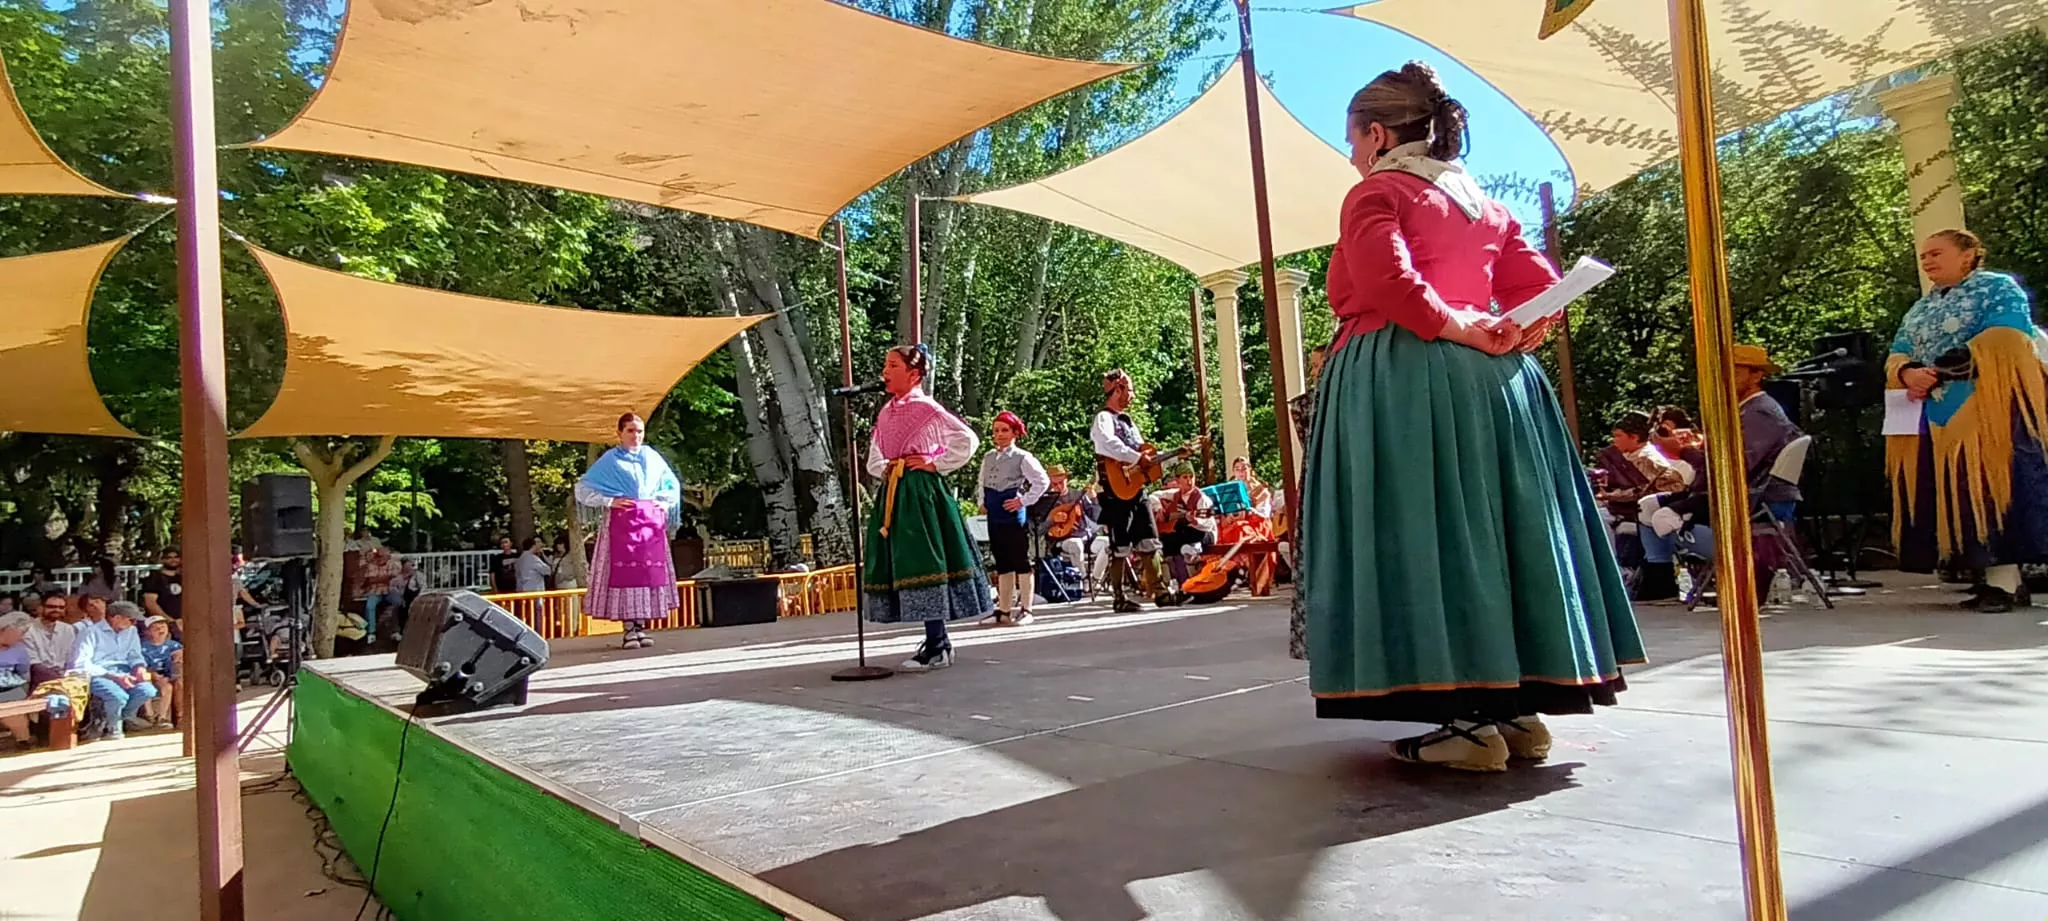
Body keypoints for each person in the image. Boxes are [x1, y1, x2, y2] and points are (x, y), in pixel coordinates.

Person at [1301, 62, 1645, 773]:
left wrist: (1456, 327)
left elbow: (1387, 282)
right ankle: (1517, 709)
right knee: (1500, 531)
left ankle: (1463, 720)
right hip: (1502, 386)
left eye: (1350, 138)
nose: (1349, 153)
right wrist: (1517, 330)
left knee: (1425, 531)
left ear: (1375, 134)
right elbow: (1537, 288)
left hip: (1403, 377)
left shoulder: (1378, 192)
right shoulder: (1484, 205)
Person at [1888, 229, 2048, 613]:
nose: (1927, 261)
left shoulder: (1996, 288)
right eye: (1923, 255)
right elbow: (1898, 350)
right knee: (1958, 493)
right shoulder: (1921, 308)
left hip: (1990, 407)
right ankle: (1985, 576)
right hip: (1939, 413)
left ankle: (2005, 582)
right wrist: (1908, 371)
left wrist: (1945, 367)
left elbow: (2008, 335)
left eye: (1936, 253)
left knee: (1994, 489)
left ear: (1969, 254)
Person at [862, 345, 990, 671]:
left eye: (892, 365)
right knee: (907, 563)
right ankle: (936, 641)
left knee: (924, 560)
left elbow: (966, 440)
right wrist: (888, 468)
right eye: (886, 364)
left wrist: (935, 464)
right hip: (896, 491)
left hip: (921, 494)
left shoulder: (926, 408)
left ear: (914, 373)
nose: (885, 372)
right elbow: (875, 455)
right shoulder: (887, 412)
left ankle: (937, 644)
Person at [576, 412, 684, 650]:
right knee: (623, 574)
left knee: (648, 574)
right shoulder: (610, 460)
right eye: (631, 431)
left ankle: (641, 625)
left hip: (650, 525)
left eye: (640, 431)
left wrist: (663, 504)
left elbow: (671, 485)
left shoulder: (652, 458)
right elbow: (583, 488)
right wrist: (608, 501)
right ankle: (628, 629)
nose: (636, 436)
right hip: (621, 524)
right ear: (620, 433)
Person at [1092, 369, 1166, 613]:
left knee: (1148, 536)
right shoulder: (1103, 418)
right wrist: (1137, 457)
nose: (1132, 396)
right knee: (1120, 542)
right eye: (1129, 390)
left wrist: (1154, 459)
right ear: (1118, 389)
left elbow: (1140, 454)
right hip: (1115, 490)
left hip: (1135, 488)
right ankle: (1119, 596)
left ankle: (1160, 591)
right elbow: (1108, 445)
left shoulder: (1128, 422)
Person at [978, 410, 1049, 627]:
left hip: (1012, 513)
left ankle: (1026, 609)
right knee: (1002, 562)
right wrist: (982, 501)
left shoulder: (1022, 457)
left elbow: (1042, 481)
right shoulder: (989, 456)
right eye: (996, 430)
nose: (1000, 434)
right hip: (994, 513)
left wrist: (1023, 501)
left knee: (1020, 560)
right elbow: (982, 481)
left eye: (1004, 430)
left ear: (1014, 432)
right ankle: (1004, 610)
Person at [76, 601, 157, 740]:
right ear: (116, 618)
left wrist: (139, 668)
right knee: (118, 696)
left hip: (125, 671)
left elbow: (134, 654)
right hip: (100, 673)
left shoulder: (131, 631)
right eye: (131, 620)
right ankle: (114, 727)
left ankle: (122, 718)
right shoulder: (91, 632)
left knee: (147, 690)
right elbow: (81, 663)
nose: (134, 623)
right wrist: (113, 676)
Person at [1032, 466, 1107, 588]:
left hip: (1085, 537)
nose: (1058, 486)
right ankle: (1082, 578)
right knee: (1075, 543)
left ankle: (1095, 579)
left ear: (1066, 479)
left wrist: (1093, 500)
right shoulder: (1046, 500)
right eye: (1054, 484)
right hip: (1061, 542)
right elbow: (1039, 530)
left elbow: (1096, 517)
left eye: (1061, 482)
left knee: (1107, 543)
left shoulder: (1078, 495)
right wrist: (1052, 520)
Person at [1153, 465, 1217, 587]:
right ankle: (1173, 582)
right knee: (1165, 541)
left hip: (1205, 534)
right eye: (1185, 477)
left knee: (1182, 539)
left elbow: (1208, 524)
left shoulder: (1201, 498)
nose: (1189, 481)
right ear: (1177, 481)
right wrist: (1159, 509)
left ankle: (1190, 582)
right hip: (1186, 533)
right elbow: (1153, 496)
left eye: (1191, 477)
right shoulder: (1175, 495)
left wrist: (1195, 521)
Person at [138, 615, 181, 728]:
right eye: (156, 628)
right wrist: (151, 673)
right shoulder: (142, 646)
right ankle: (150, 715)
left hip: (165, 675)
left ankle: (162, 717)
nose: (160, 630)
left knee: (167, 688)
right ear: (148, 632)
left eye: (163, 627)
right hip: (147, 673)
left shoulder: (173, 645)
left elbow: (180, 655)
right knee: (144, 682)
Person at [0, 611, 33, 751]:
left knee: (14, 707)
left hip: (9, 687)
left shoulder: (20, 650)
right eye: (20, 632)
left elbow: (24, 674)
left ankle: (23, 741)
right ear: (6, 629)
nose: (21, 637)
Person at [358, 547, 402, 643]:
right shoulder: (371, 565)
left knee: (398, 603)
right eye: (378, 556)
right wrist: (386, 578)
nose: (380, 558)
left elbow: (395, 577)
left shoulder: (393, 563)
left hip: (390, 591)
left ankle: (395, 631)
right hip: (375, 591)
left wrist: (379, 579)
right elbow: (370, 580)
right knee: (370, 606)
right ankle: (371, 633)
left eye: (383, 556)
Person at [140, 548, 182, 626]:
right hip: (162, 624)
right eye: (169, 558)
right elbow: (150, 603)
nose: (173, 560)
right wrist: (170, 621)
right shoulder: (154, 578)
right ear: (162, 560)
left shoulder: (183, 578)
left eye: (176, 557)